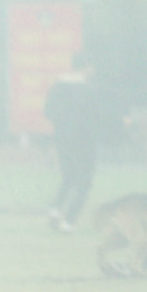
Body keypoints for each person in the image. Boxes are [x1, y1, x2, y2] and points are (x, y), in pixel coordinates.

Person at [44, 53, 117, 233]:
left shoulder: (58, 86)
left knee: (69, 175)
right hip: (84, 141)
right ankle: (68, 221)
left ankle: (55, 209)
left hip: (62, 139)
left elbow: (48, 111)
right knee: (85, 182)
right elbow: (96, 116)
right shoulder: (89, 89)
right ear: (87, 67)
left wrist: (62, 126)